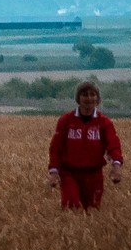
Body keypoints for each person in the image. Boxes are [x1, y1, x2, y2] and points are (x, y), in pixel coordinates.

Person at [48, 81, 123, 210]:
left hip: (93, 175)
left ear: (98, 99)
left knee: (92, 211)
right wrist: (54, 171)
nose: (89, 98)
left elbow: (113, 145)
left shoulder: (104, 123)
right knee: (70, 207)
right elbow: (56, 148)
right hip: (69, 173)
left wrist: (116, 165)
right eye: (84, 94)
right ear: (78, 98)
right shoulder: (66, 120)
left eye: (92, 95)